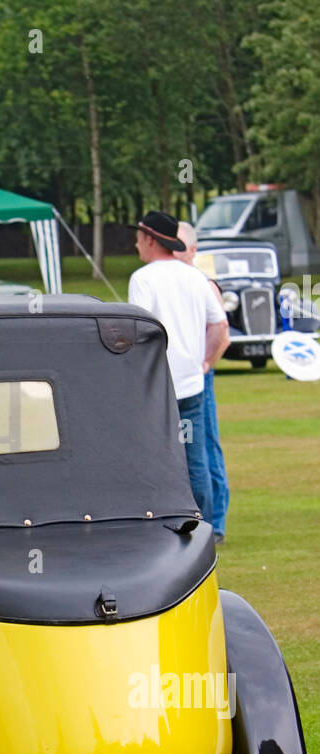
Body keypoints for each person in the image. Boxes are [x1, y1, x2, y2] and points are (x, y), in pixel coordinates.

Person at [128, 211, 228, 526]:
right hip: (192, 383)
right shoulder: (194, 276)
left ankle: (163, 521)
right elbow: (219, 324)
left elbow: (138, 330)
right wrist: (205, 362)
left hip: (158, 385)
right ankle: (207, 528)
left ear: (149, 238)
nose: (135, 244)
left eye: (138, 238)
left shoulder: (143, 278)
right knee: (196, 458)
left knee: (157, 458)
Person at [176, 222, 230, 543]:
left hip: (199, 375)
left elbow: (221, 333)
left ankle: (217, 521)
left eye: (180, 245)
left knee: (206, 442)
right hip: (187, 373)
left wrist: (206, 364)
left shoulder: (203, 283)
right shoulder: (180, 282)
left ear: (193, 250)